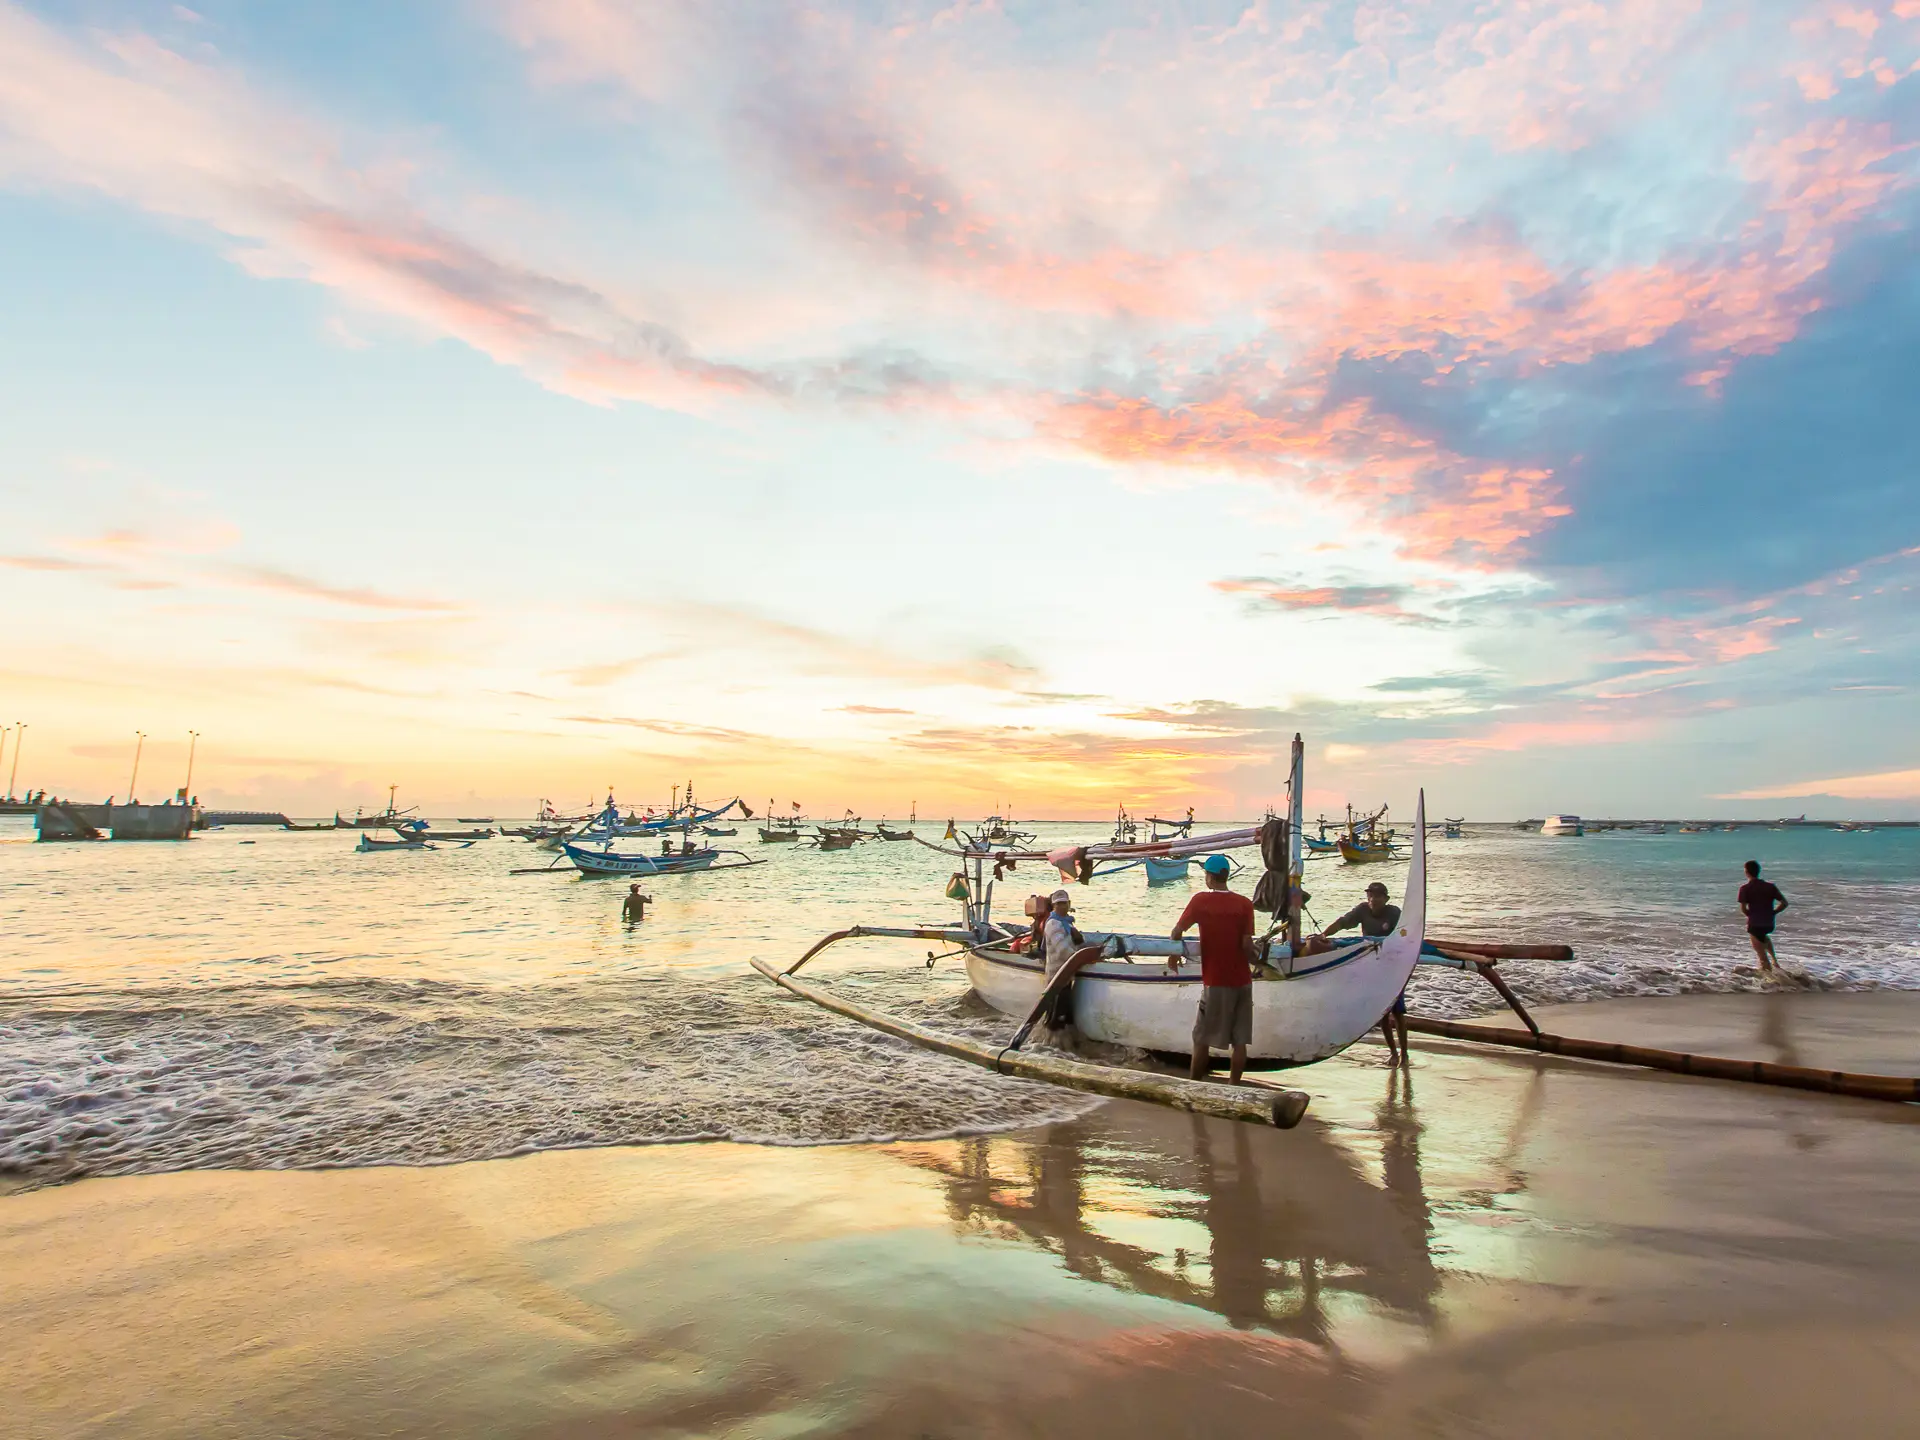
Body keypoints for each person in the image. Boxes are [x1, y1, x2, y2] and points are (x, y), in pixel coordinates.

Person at [1170, 855, 1257, 1084]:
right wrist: (1259, 962)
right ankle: (1233, 1088)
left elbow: (1177, 931)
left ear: (1209, 876)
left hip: (1216, 981)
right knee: (1239, 1042)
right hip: (1243, 981)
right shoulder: (1244, 904)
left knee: (1201, 1038)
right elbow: (1247, 945)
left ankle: (1194, 1085)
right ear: (1226, 876)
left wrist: (1174, 953)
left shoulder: (1200, 901)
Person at [1314, 882, 1407, 1064]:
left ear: (1386, 899)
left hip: (1394, 968)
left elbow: (1405, 933)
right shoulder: (1362, 910)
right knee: (1382, 1012)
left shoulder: (1394, 913)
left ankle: (1405, 1053)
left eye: (1378, 896)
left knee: (1398, 1012)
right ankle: (1393, 1053)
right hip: (1372, 967)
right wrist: (1324, 935)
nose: (1373, 900)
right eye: (1370, 896)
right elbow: (1342, 922)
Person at [1738, 860, 1788, 975]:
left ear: (1746, 872)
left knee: (1762, 957)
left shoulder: (1745, 888)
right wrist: (1774, 912)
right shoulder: (1770, 887)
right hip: (1769, 924)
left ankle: (1770, 983)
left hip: (1755, 924)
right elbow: (1784, 903)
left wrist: (1751, 915)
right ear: (1758, 871)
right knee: (1764, 937)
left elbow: (1744, 909)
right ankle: (1775, 960)